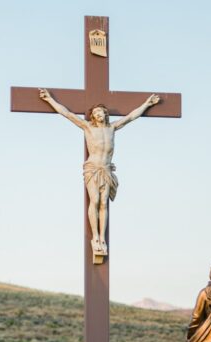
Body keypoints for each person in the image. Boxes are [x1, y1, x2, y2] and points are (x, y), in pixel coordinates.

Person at [38, 89, 160, 257]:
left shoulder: (112, 127)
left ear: (105, 114)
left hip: (107, 169)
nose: (98, 114)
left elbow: (131, 117)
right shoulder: (87, 127)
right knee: (94, 200)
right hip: (93, 168)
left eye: (100, 111)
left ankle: (102, 237)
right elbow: (66, 113)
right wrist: (49, 99)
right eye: (95, 112)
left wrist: (147, 104)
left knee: (103, 203)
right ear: (93, 117)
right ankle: (95, 236)